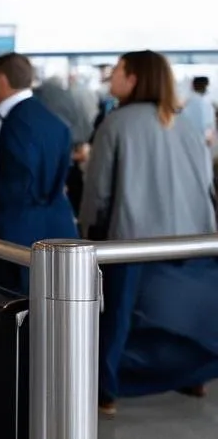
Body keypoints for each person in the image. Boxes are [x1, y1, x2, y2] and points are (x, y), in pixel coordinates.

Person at [80, 51, 218, 415]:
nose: (112, 78)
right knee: (185, 315)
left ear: (135, 77)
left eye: (118, 71)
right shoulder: (184, 123)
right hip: (190, 238)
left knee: (118, 318)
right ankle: (193, 376)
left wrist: (89, 232)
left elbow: (99, 192)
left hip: (131, 242)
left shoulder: (117, 122)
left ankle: (106, 392)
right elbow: (205, 183)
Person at [0, 52, 78, 287]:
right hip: (56, 228)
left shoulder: (14, 125)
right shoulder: (53, 120)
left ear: (2, 80)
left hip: (16, 238)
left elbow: (15, 186)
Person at [182, 76, 216, 147]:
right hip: (202, 142)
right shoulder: (206, 104)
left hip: (188, 142)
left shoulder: (187, 103)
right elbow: (208, 125)